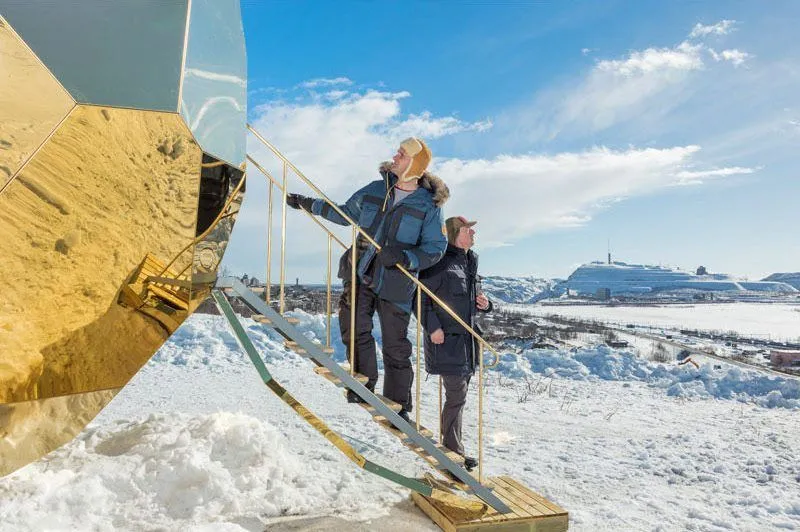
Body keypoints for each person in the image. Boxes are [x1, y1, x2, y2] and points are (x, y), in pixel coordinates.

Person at [285, 138, 449, 422]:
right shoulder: (376, 189)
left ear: (416, 165)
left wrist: (405, 257)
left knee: (395, 346)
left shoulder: (428, 205)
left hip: (397, 282)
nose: (395, 156)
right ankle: (363, 382)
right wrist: (307, 204)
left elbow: (435, 248)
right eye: (398, 152)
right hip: (360, 271)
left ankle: (399, 407)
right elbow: (346, 213)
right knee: (352, 326)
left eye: (402, 154)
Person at [420, 216, 492, 470]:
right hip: (447, 340)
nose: (473, 233)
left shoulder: (469, 261)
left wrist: (484, 304)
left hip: (467, 341)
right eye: (467, 229)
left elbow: (468, 299)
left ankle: (455, 449)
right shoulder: (438, 261)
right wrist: (432, 327)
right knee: (456, 396)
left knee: (458, 398)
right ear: (454, 233)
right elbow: (421, 296)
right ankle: (453, 453)